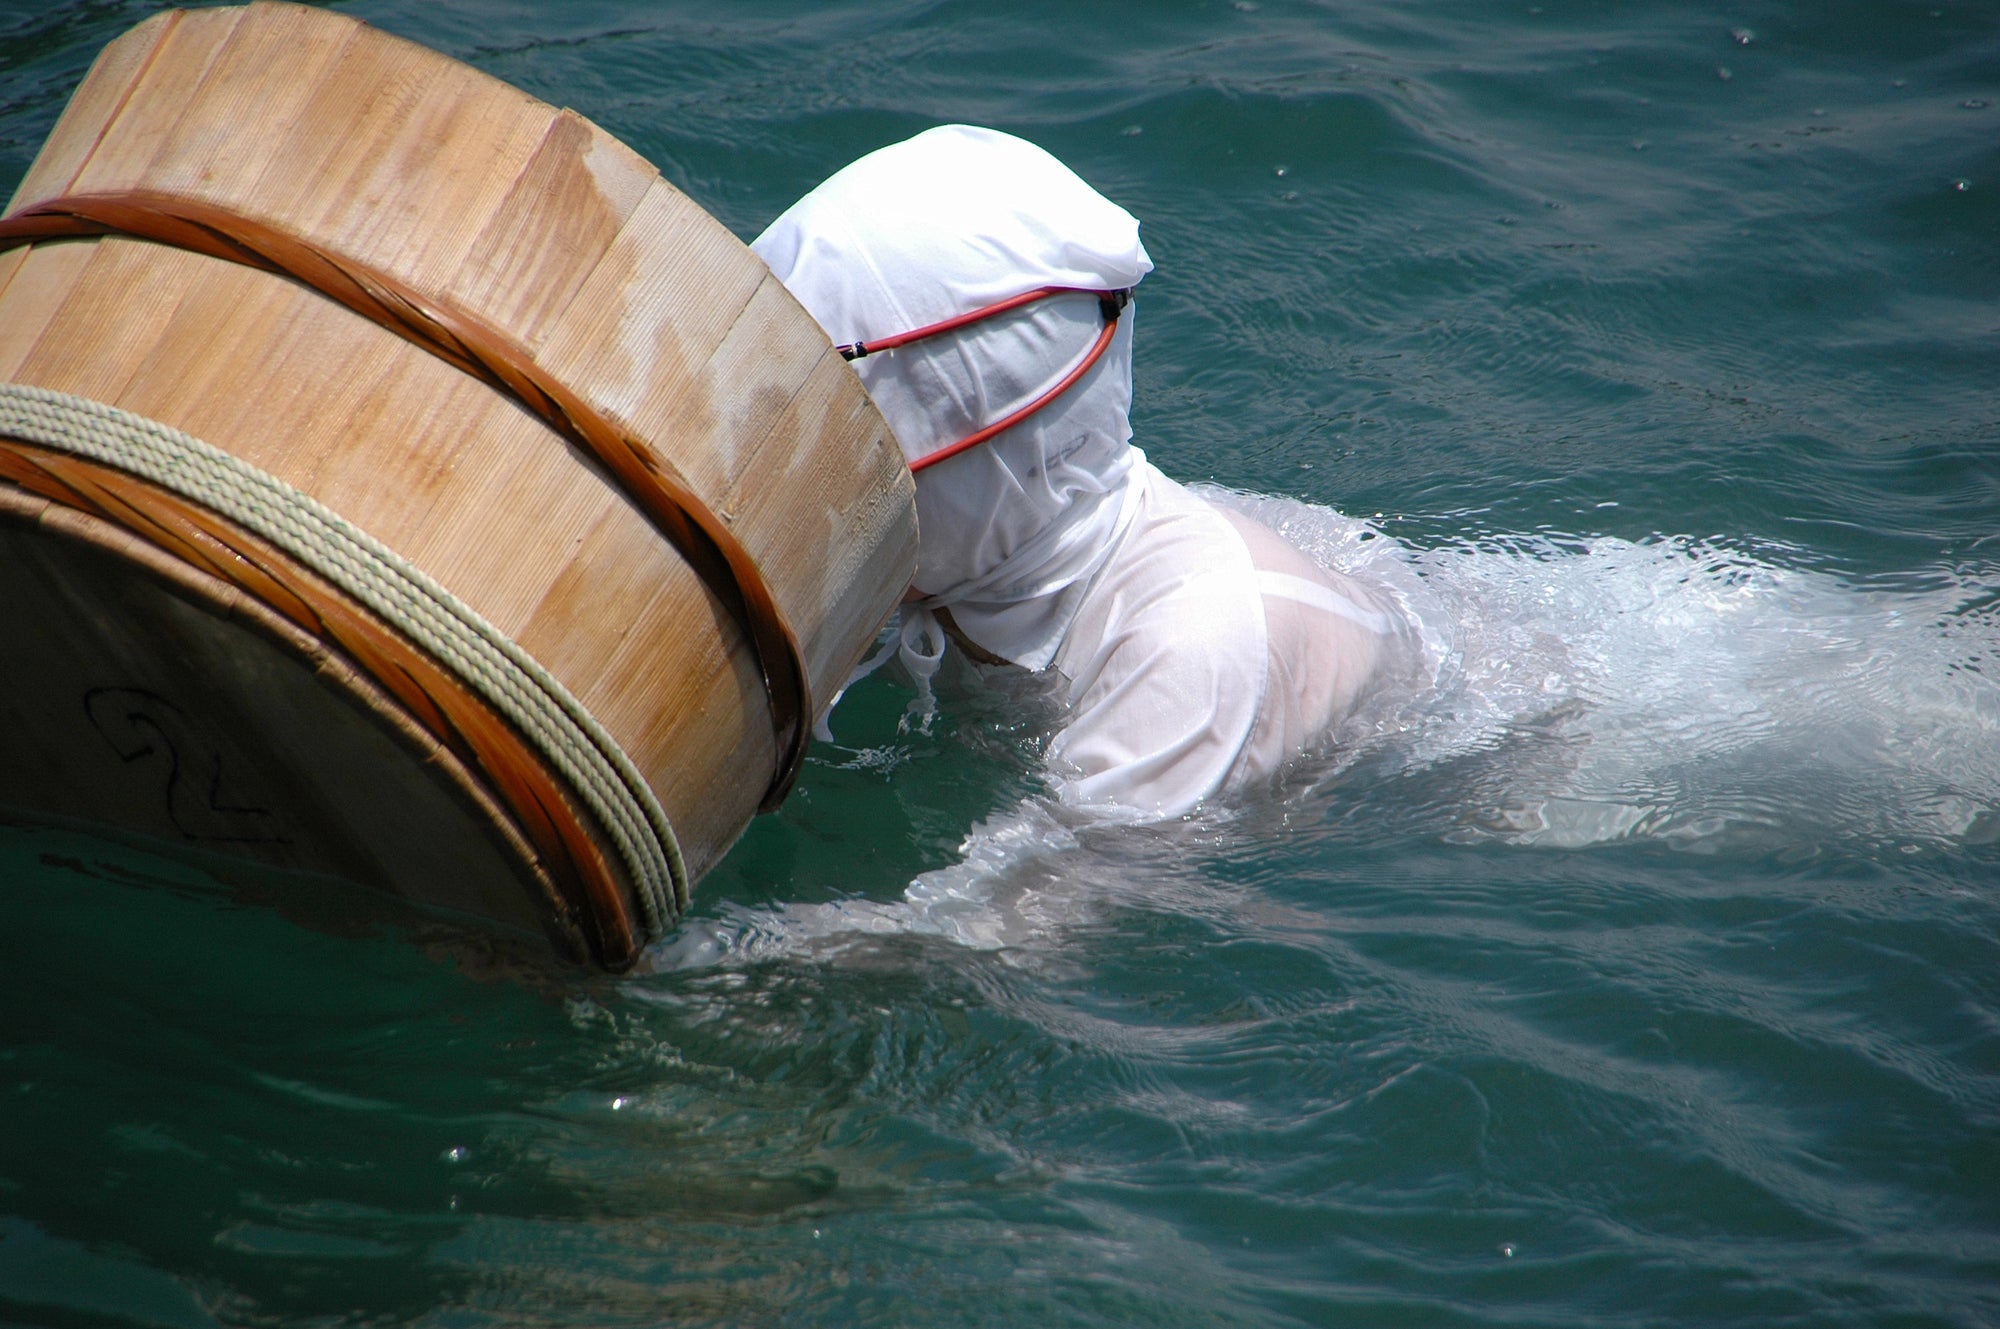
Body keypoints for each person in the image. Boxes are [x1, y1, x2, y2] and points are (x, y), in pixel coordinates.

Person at [753, 125, 1409, 822]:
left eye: (843, 463)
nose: (802, 502)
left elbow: (1029, 914)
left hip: (1495, 754)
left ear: (985, 469)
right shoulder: (992, 555)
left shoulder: (1189, 651)